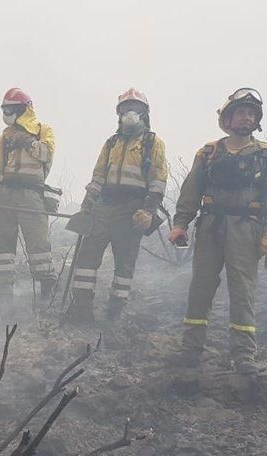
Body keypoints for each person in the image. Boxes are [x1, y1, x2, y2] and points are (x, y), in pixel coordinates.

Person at [170, 88, 267, 374]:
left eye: (251, 113)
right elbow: (191, 191)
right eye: (240, 112)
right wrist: (180, 223)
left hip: (246, 229)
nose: (246, 118)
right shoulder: (209, 152)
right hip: (210, 226)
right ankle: (191, 349)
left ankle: (244, 355)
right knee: (200, 288)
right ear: (228, 118)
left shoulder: (265, 154)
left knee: (242, 290)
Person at [67, 88, 168, 323]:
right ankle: (82, 309)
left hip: (131, 210)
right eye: (125, 109)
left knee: (124, 262)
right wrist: (86, 206)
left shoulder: (153, 143)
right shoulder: (111, 143)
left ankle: (113, 313)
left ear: (144, 113)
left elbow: (158, 179)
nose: (130, 113)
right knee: (86, 259)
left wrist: (148, 210)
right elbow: (98, 176)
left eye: (136, 109)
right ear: (119, 113)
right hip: (103, 207)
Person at [0, 88, 59, 300]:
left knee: (38, 244)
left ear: (23, 110)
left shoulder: (42, 130)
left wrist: (26, 141)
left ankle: (47, 285)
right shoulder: (6, 136)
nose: (7, 114)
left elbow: (46, 153)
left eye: (11, 110)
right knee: (4, 245)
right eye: (5, 110)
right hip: (5, 195)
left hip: (31, 195)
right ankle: (4, 292)